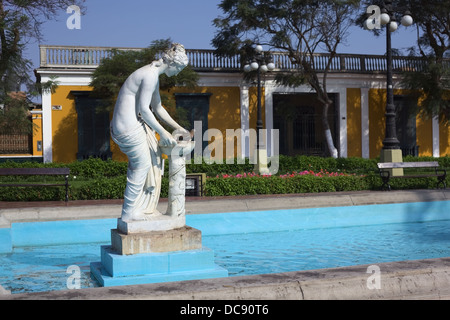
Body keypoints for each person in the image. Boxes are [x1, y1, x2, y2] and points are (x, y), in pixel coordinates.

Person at [111, 43, 189, 222]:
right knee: (142, 165)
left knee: (145, 165)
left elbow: (158, 107)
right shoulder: (150, 75)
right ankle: (129, 212)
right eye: (179, 69)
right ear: (172, 64)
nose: (177, 73)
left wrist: (178, 127)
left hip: (129, 123)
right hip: (128, 126)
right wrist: (163, 133)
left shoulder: (152, 73)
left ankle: (139, 208)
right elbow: (145, 110)